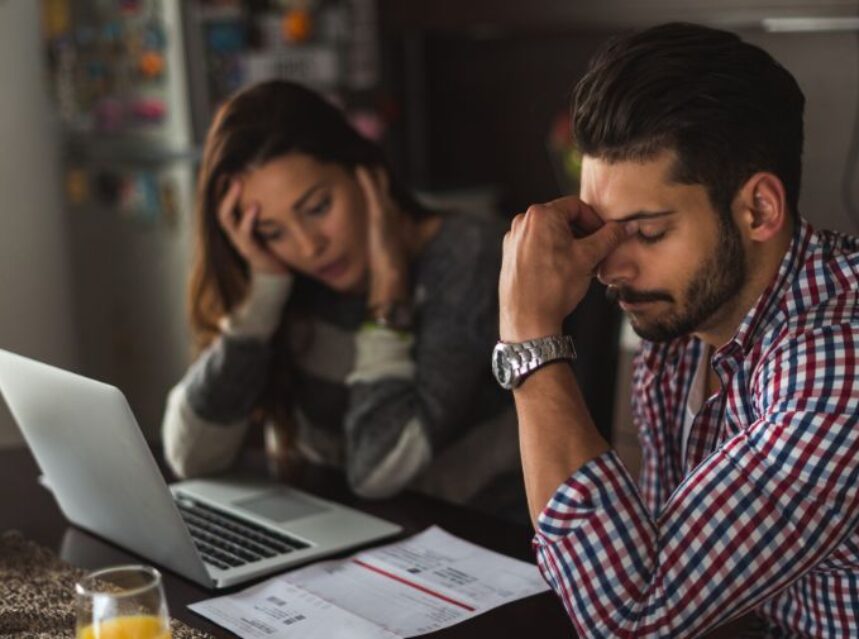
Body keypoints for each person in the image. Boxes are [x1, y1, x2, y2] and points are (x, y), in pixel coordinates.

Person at [494, 23, 859, 637]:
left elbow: (634, 614)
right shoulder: (681, 330)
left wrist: (530, 336)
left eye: (647, 231)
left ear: (759, 210)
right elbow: (649, 560)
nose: (612, 266)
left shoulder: (839, 361)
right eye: (601, 229)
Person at [163, 80, 521, 515]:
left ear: (365, 171)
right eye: (272, 232)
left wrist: (388, 292)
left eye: (316, 208)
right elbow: (190, 455)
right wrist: (262, 298)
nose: (307, 247)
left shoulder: (468, 256)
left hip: (477, 545)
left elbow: (378, 471)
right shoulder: (290, 279)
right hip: (347, 539)